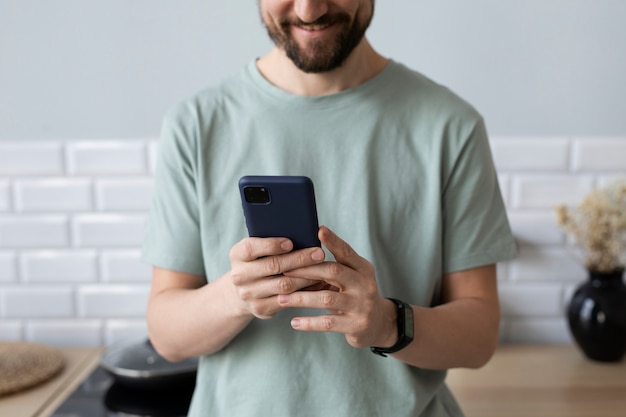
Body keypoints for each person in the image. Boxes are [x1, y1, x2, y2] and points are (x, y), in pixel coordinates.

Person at [142, 1, 517, 416]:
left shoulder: (450, 126)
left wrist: (386, 322)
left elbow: (479, 335)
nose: (308, 10)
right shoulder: (194, 125)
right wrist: (237, 293)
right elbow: (167, 336)